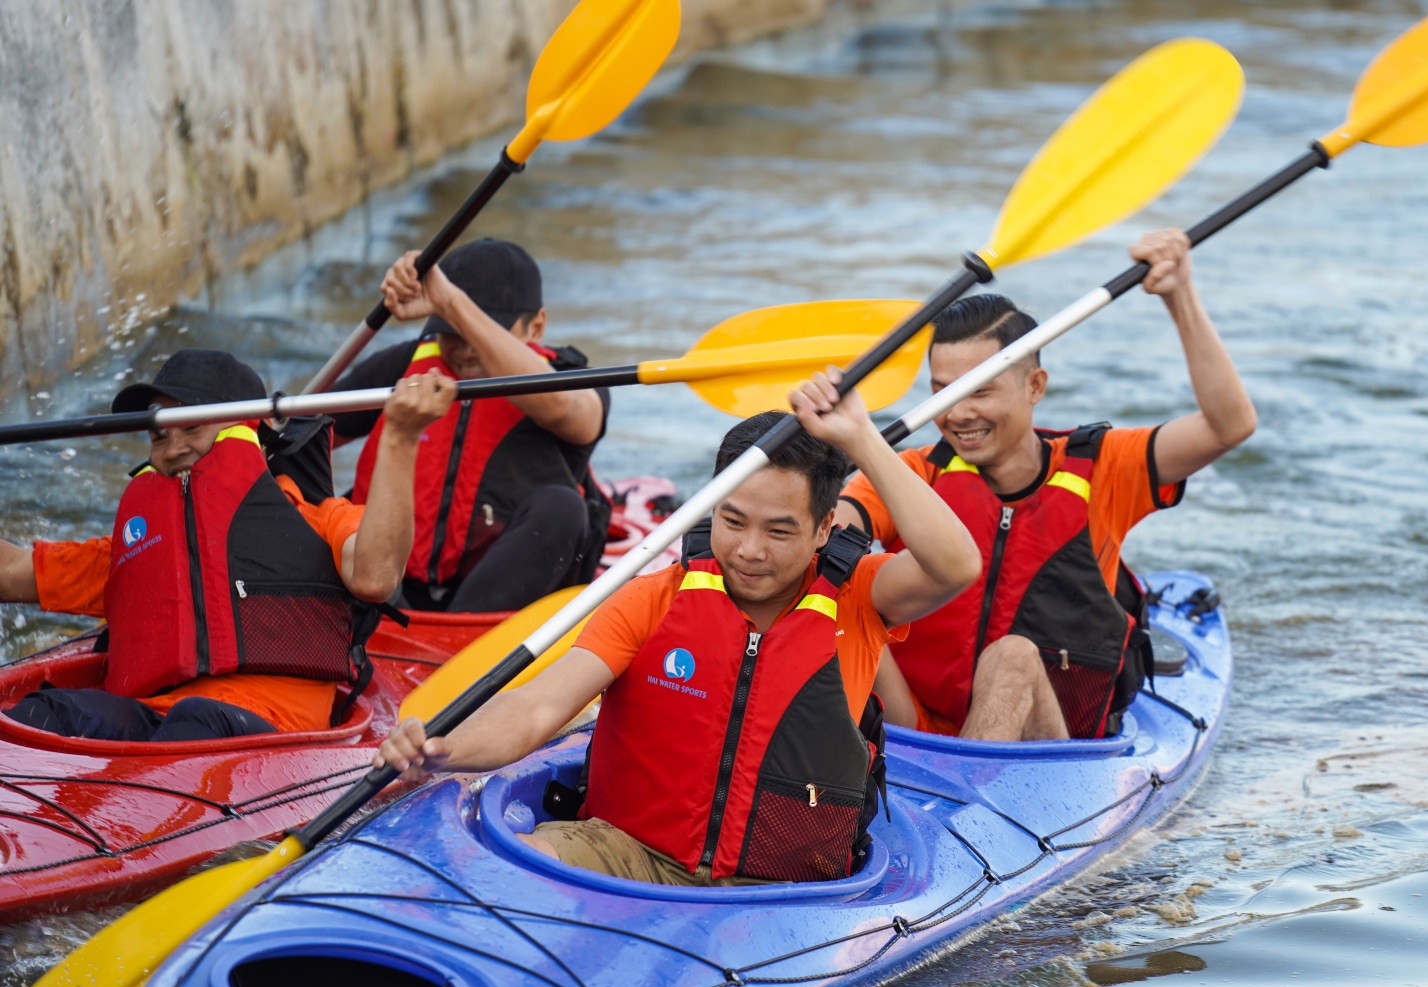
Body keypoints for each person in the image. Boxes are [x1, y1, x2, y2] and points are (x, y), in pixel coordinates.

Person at [376, 370, 981, 886]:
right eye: (732, 520)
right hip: (628, 856)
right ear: (707, 507)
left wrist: (861, 439)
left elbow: (956, 564)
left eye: (779, 530)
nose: (748, 550)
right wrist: (440, 747)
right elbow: (536, 708)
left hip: (785, 890)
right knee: (510, 869)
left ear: (824, 529)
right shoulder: (653, 599)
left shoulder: (859, 599)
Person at [837, 229, 1257, 742]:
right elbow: (833, 522)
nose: (959, 413)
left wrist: (1179, 295)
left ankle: (974, 796)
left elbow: (1228, 426)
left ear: (1035, 386)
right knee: (836, 592)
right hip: (913, 733)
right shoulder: (911, 474)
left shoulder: (1104, 467)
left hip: (1046, 749)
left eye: (979, 391)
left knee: (1012, 656)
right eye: (942, 392)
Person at [0, 348, 455, 743]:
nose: (173, 447)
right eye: (160, 434)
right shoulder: (139, 546)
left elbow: (376, 578)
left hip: (267, 735)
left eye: (191, 427)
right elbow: (12, 571)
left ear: (246, 431)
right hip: (154, 725)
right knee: (49, 711)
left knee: (195, 718)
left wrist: (400, 436)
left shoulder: (319, 518)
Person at [332, 238, 610, 613]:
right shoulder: (405, 364)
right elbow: (297, 433)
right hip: (389, 592)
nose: (463, 349)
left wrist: (451, 304)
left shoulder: (568, 381)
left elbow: (568, 412)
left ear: (537, 326)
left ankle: (462, 632)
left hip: (499, 603)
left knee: (564, 508)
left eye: (481, 328)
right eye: (449, 330)